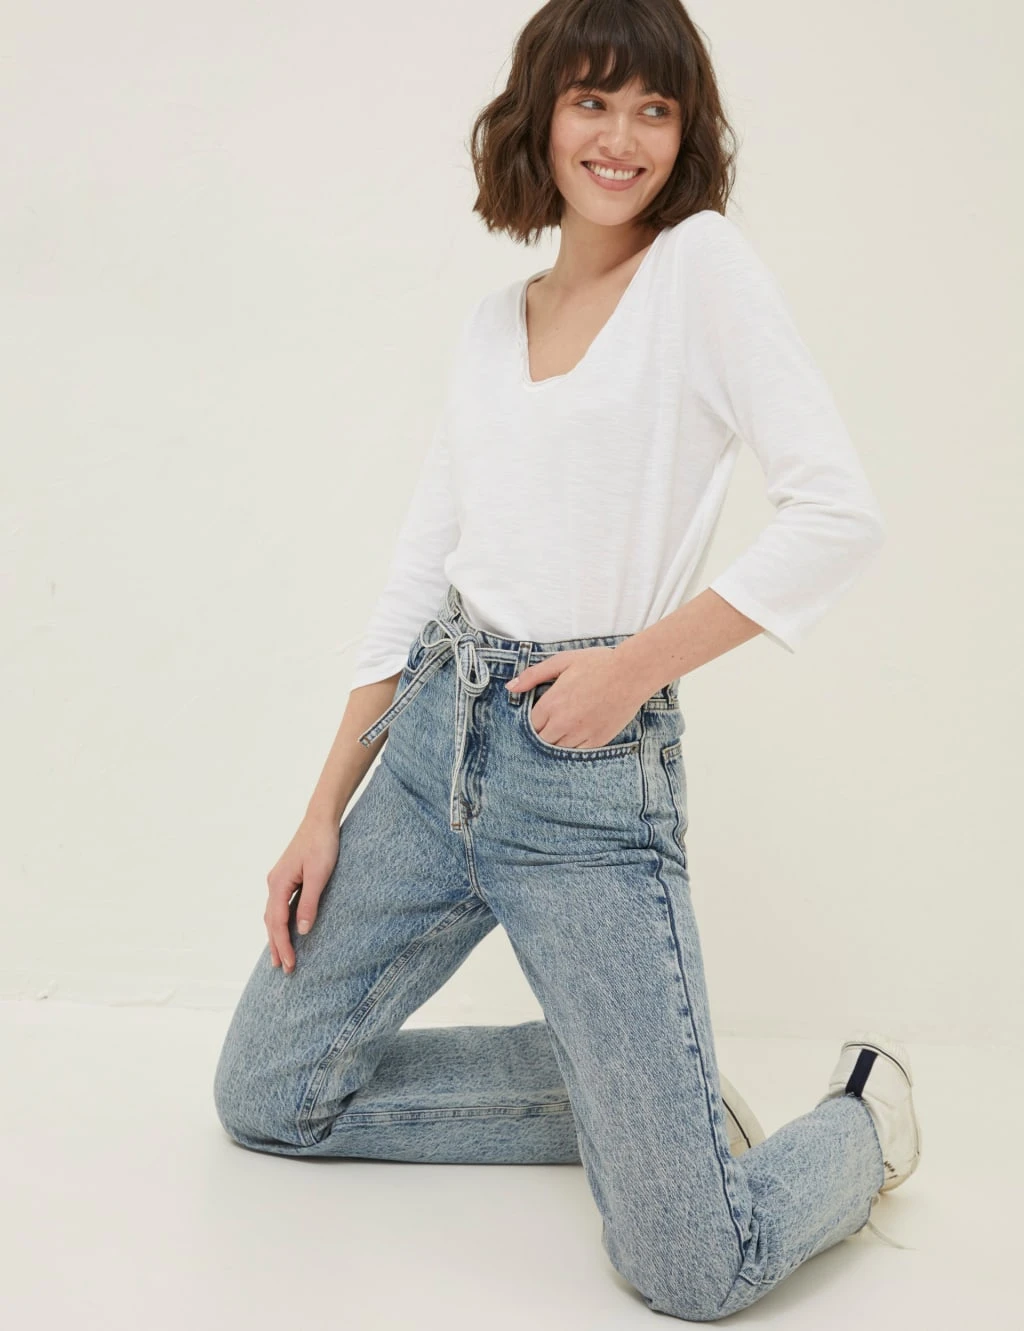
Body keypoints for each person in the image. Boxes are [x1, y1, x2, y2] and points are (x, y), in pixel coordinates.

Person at [213, 0, 921, 1319]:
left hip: (583, 775)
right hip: (431, 751)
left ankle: (863, 1120)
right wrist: (320, 807)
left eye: (656, 109)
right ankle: (633, 1094)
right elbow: (419, 573)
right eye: (593, 100)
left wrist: (632, 668)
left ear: (686, 133)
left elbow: (838, 516)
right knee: (267, 1093)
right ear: (539, 116)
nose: (622, 137)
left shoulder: (700, 270)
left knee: (693, 1270)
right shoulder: (495, 323)